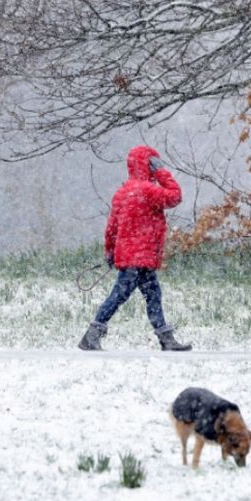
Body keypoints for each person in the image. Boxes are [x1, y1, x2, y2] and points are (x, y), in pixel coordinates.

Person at [79, 145, 192, 351]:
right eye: (153, 163)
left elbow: (112, 227)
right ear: (148, 164)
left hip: (134, 257)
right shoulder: (147, 190)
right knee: (121, 295)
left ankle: (166, 339)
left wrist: (110, 251)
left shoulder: (122, 192)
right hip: (140, 257)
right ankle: (91, 335)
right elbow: (175, 196)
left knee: (151, 295)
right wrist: (161, 172)